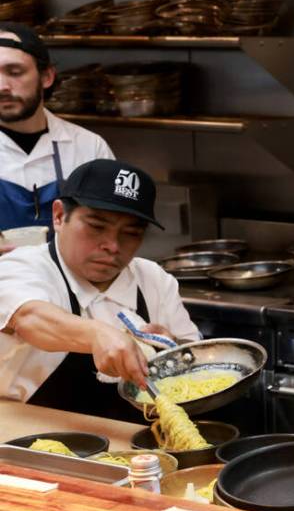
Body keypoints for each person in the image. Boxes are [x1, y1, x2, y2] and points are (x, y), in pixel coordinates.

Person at [0, 158, 200, 420]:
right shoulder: (21, 266)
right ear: (59, 216)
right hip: (29, 439)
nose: (113, 246)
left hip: (133, 442)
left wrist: (172, 349)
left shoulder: (153, 279)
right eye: (96, 227)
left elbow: (197, 361)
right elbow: (29, 317)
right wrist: (97, 335)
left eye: (130, 232)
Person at [0, 22, 113, 248]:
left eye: (15, 72)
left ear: (47, 77)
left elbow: (114, 229)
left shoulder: (89, 148)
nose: (2, 86)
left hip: (67, 282)